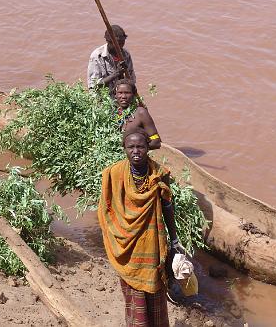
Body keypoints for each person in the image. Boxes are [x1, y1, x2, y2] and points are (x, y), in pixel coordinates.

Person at [98, 127, 182, 327]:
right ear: (124, 149)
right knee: (133, 292)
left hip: (151, 242)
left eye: (140, 147)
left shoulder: (160, 174)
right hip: (126, 244)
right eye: (131, 147)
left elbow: (168, 206)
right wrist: (114, 238)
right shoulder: (114, 173)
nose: (136, 151)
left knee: (154, 286)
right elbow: (106, 210)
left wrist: (175, 239)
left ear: (148, 149)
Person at [87, 24, 136, 95]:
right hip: (102, 99)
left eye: (122, 43)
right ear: (108, 41)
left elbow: (131, 80)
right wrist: (116, 73)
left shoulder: (126, 54)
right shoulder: (97, 56)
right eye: (117, 44)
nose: (120, 47)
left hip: (120, 98)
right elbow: (94, 86)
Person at [114, 79, 161, 150]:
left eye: (127, 93)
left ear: (134, 95)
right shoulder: (112, 114)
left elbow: (156, 142)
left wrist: (134, 149)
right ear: (115, 95)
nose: (123, 96)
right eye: (120, 93)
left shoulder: (140, 113)